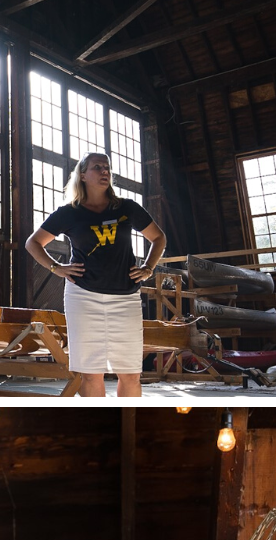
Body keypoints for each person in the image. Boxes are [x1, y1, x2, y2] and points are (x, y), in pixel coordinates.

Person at [25, 152, 166, 398]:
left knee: (131, 372)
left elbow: (158, 238)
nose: (104, 172)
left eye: (107, 168)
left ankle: (128, 422)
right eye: (97, 167)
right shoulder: (69, 212)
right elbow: (33, 243)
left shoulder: (127, 207)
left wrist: (149, 268)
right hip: (83, 297)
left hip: (126, 297)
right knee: (90, 373)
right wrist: (56, 268)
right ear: (82, 175)